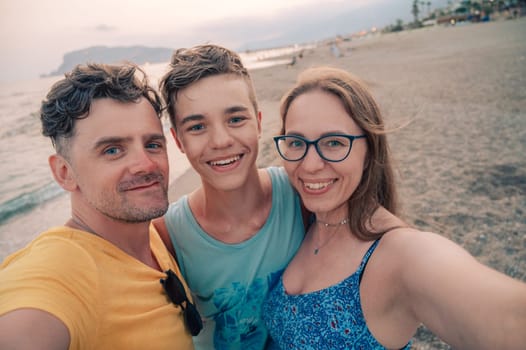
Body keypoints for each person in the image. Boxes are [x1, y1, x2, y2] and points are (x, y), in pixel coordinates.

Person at [262, 66, 526, 349]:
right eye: (296, 142)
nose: (310, 164)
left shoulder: (399, 254)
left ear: (369, 151)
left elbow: (509, 320)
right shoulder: (299, 218)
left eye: (335, 142)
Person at [0, 63, 199, 349]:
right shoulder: (62, 270)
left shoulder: (147, 236)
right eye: (113, 150)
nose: (145, 164)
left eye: (153, 144)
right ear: (64, 173)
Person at [155, 44, 305, 349]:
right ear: (178, 140)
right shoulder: (168, 233)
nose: (221, 141)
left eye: (236, 119)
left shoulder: (300, 196)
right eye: (197, 126)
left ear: (259, 122)